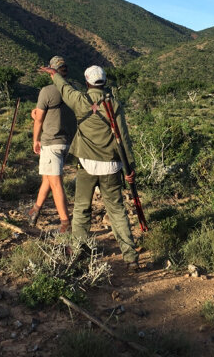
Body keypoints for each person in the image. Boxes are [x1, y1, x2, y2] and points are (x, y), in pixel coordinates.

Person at [39, 64, 139, 269]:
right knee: (117, 212)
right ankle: (130, 256)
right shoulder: (114, 105)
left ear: (87, 82)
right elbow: (124, 139)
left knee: (82, 210)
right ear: (104, 82)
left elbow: (65, 89)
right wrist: (130, 168)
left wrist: (54, 74)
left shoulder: (81, 101)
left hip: (86, 165)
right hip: (112, 167)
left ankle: (77, 250)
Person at [28, 56, 76, 233]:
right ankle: (35, 211)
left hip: (51, 141)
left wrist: (35, 139)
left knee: (56, 183)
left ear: (52, 71)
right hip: (67, 142)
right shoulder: (73, 89)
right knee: (48, 178)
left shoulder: (47, 91)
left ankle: (65, 223)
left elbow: (39, 119)